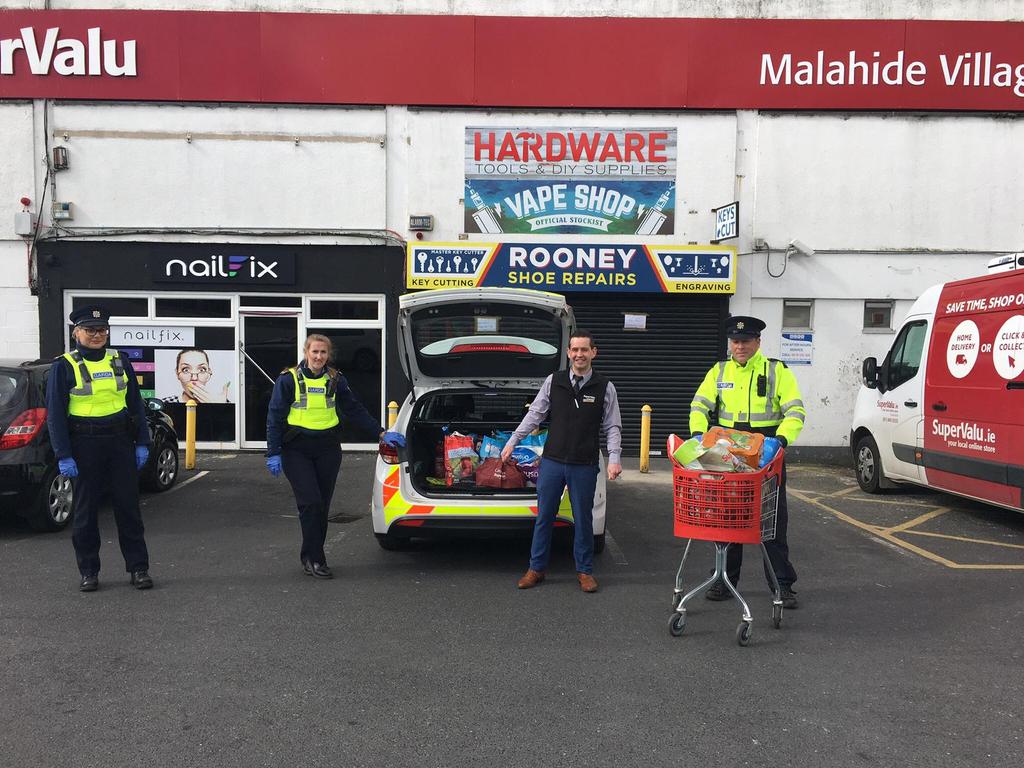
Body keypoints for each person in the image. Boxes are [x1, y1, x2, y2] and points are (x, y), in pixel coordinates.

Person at [688, 315, 806, 608]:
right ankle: (723, 580)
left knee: (772, 520)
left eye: (745, 341)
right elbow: (700, 405)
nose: (739, 346)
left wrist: (780, 440)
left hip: (766, 450)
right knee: (729, 517)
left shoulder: (776, 371)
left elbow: (795, 411)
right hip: (728, 450)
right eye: (735, 341)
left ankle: (782, 585)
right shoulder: (720, 370)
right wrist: (698, 433)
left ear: (757, 342)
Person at [266, 334, 405, 579]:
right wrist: (274, 452)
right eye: (314, 352)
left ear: (328, 355)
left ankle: (310, 556)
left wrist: (381, 433)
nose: (318, 357)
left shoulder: (336, 379)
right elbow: (274, 417)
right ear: (306, 352)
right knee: (310, 502)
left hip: (327, 449)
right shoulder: (288, 380)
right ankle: (317, 559)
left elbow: (354, 409)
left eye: (323, 353)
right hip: (296, 449)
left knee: (321, 506)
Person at [501, 330, 623, 593]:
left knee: (583, 519)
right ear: (568, 353)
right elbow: (535, 414)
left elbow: (613, 426)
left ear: (593, 352)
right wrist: (513, 441)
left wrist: (614, 458)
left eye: (584, 350)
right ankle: (536, 568)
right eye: (575, 350)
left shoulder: (604, 387)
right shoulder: (553, 381)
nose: (579, 354)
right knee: (544, 516)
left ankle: (584, 572)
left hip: (584, 463)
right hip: (553, 462)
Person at [45, 304, 154, 592]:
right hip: (85, 444)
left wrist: (143, 441)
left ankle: (138, 568)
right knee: (85, 512)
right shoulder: (64, 365)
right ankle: (89, 571)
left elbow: (135, 404)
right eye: (91, 330)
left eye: (102, 329)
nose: (97, 335)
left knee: (128, 508)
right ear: (76, 332)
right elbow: (55, 415)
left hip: (119, 441)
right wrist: (63, 454)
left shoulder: (119, 359)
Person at [164, 348, 230, 403]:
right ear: (177, 373)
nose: (194, 378)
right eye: (186, 370)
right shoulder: (165, 403)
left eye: (202, 370)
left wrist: (220, 408)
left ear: (209, 373)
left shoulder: (223, 402)